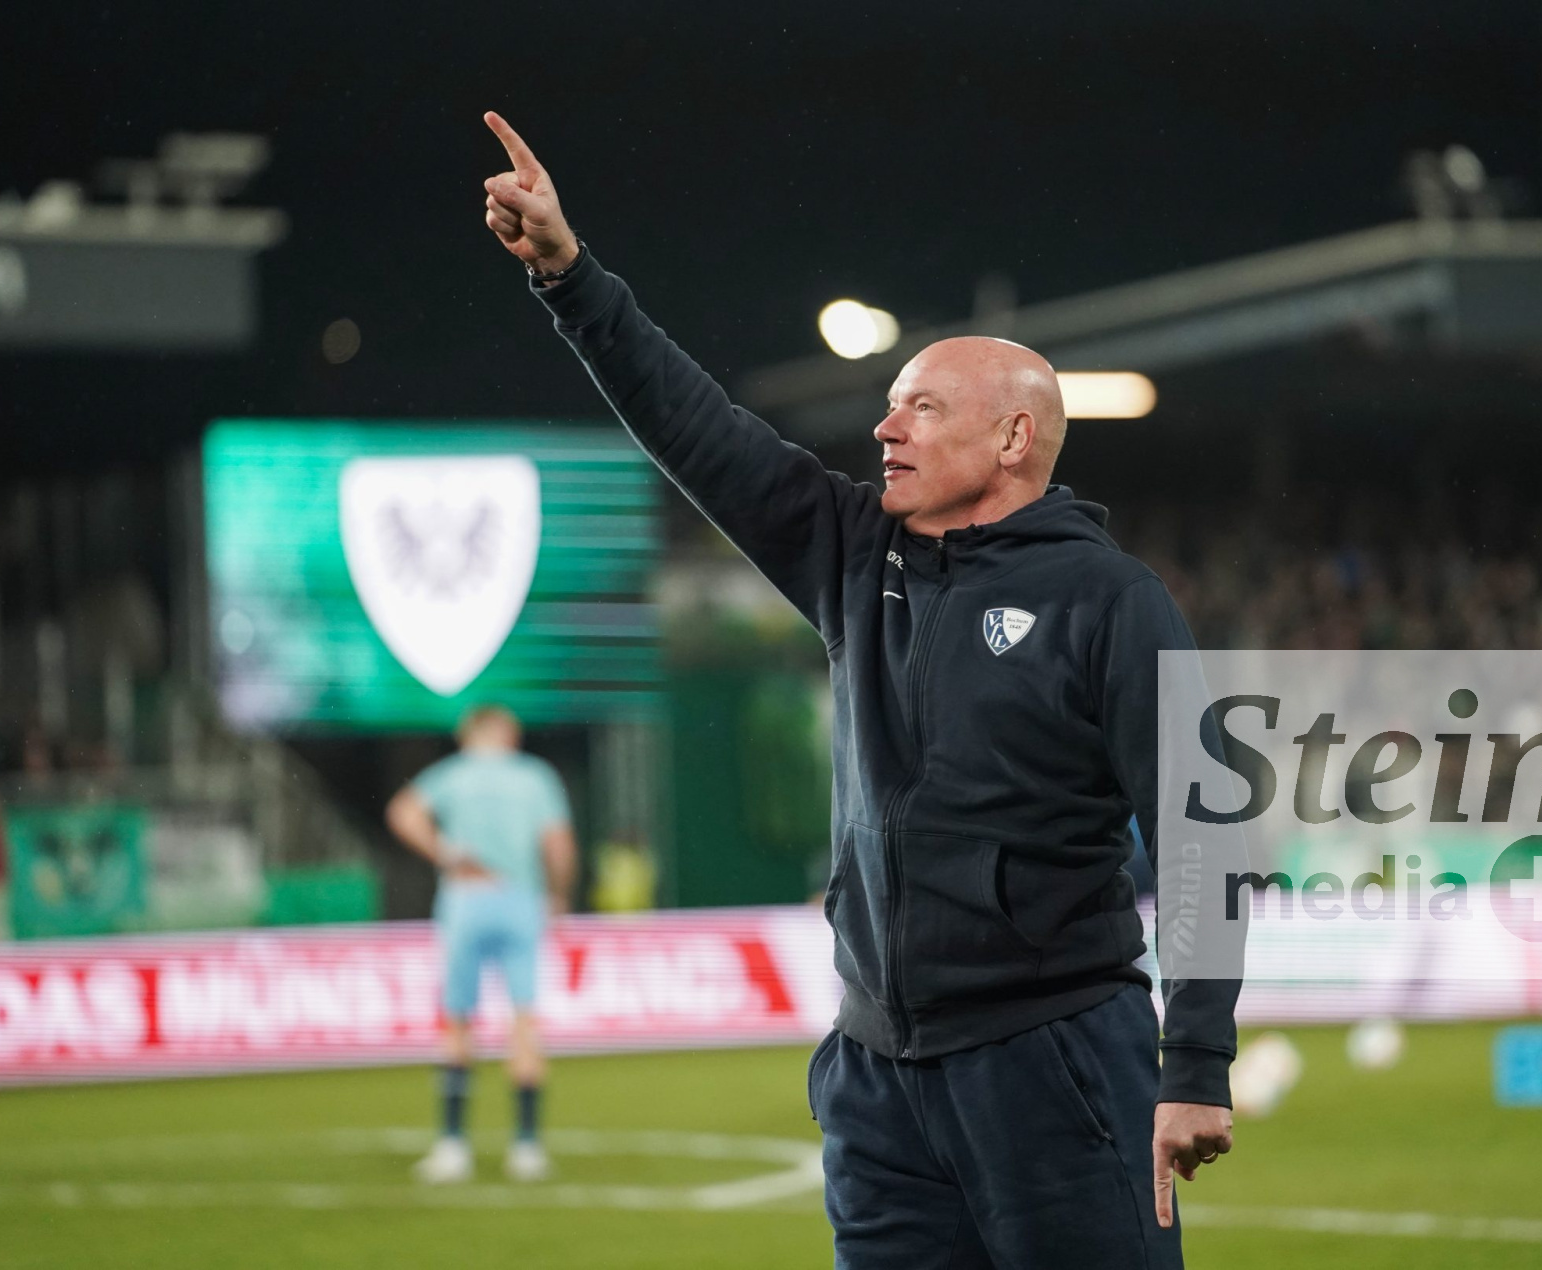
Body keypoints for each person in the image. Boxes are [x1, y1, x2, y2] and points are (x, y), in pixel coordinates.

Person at [480, 111, 1239, 1267]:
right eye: (889, 404)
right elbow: (698, 431)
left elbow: (1202, 831)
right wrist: (568, 277)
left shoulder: (1108, 599)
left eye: (921, 407)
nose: (883, 426)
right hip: (879, 1080)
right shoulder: (851, 553)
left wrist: (1194, 1063)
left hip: (1053, 1062)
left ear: (1013, 437)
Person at [386, 704, 578, 1183]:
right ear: (505, 733)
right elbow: (558, 844)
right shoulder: (534, 776)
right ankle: (527, 1146)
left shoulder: (453, 774)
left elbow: (403, 813)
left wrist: (446, 854)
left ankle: (453, 1145)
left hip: (466, 900)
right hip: (520, 898)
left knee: (456, 1022)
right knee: (524, 1021)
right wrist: (558, 895)